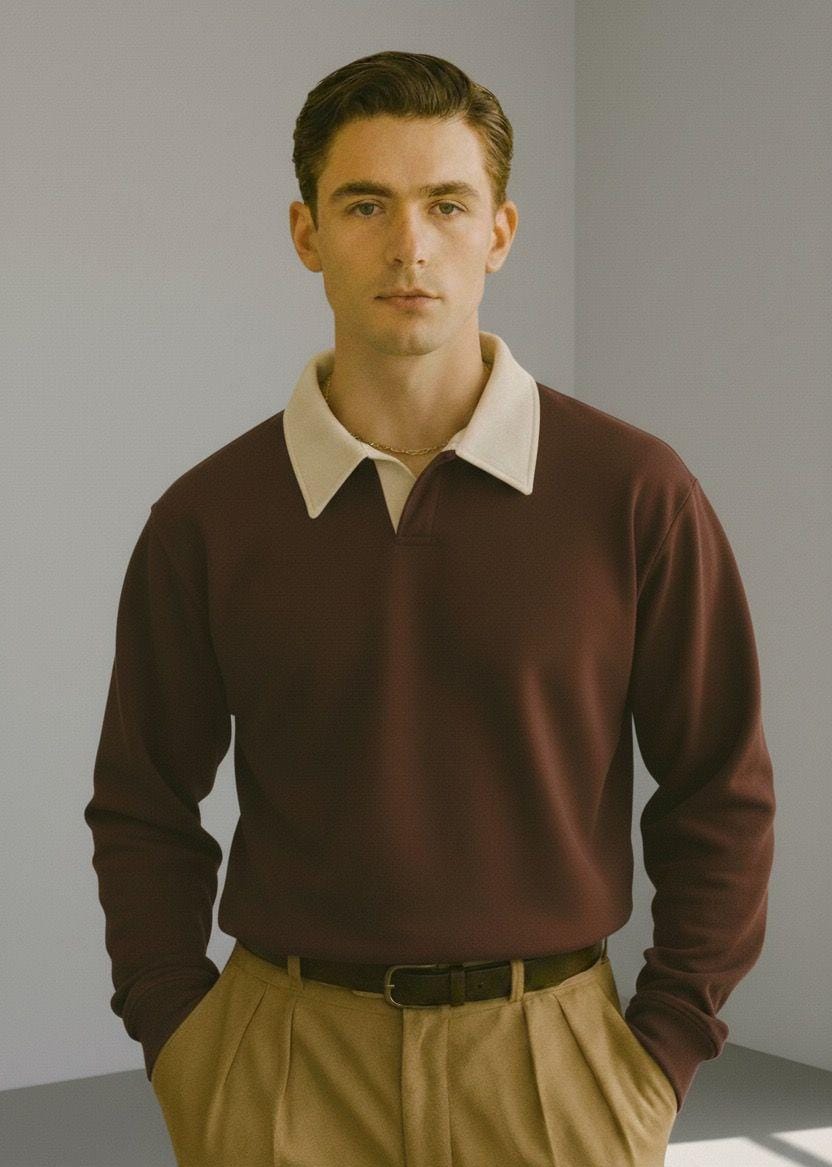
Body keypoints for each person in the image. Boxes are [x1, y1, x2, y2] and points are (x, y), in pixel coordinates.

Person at [83, 50, 776, 1167]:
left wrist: (660, 1053)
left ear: (498, 232)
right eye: (365, 205)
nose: (409, 245)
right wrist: (182, 1041)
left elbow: (720, 790)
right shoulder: (208, 518)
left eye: (446, 205)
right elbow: (142, 802)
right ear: (307, 233)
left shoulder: (635, 494)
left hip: (555, 1068)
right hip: (282, 1067)